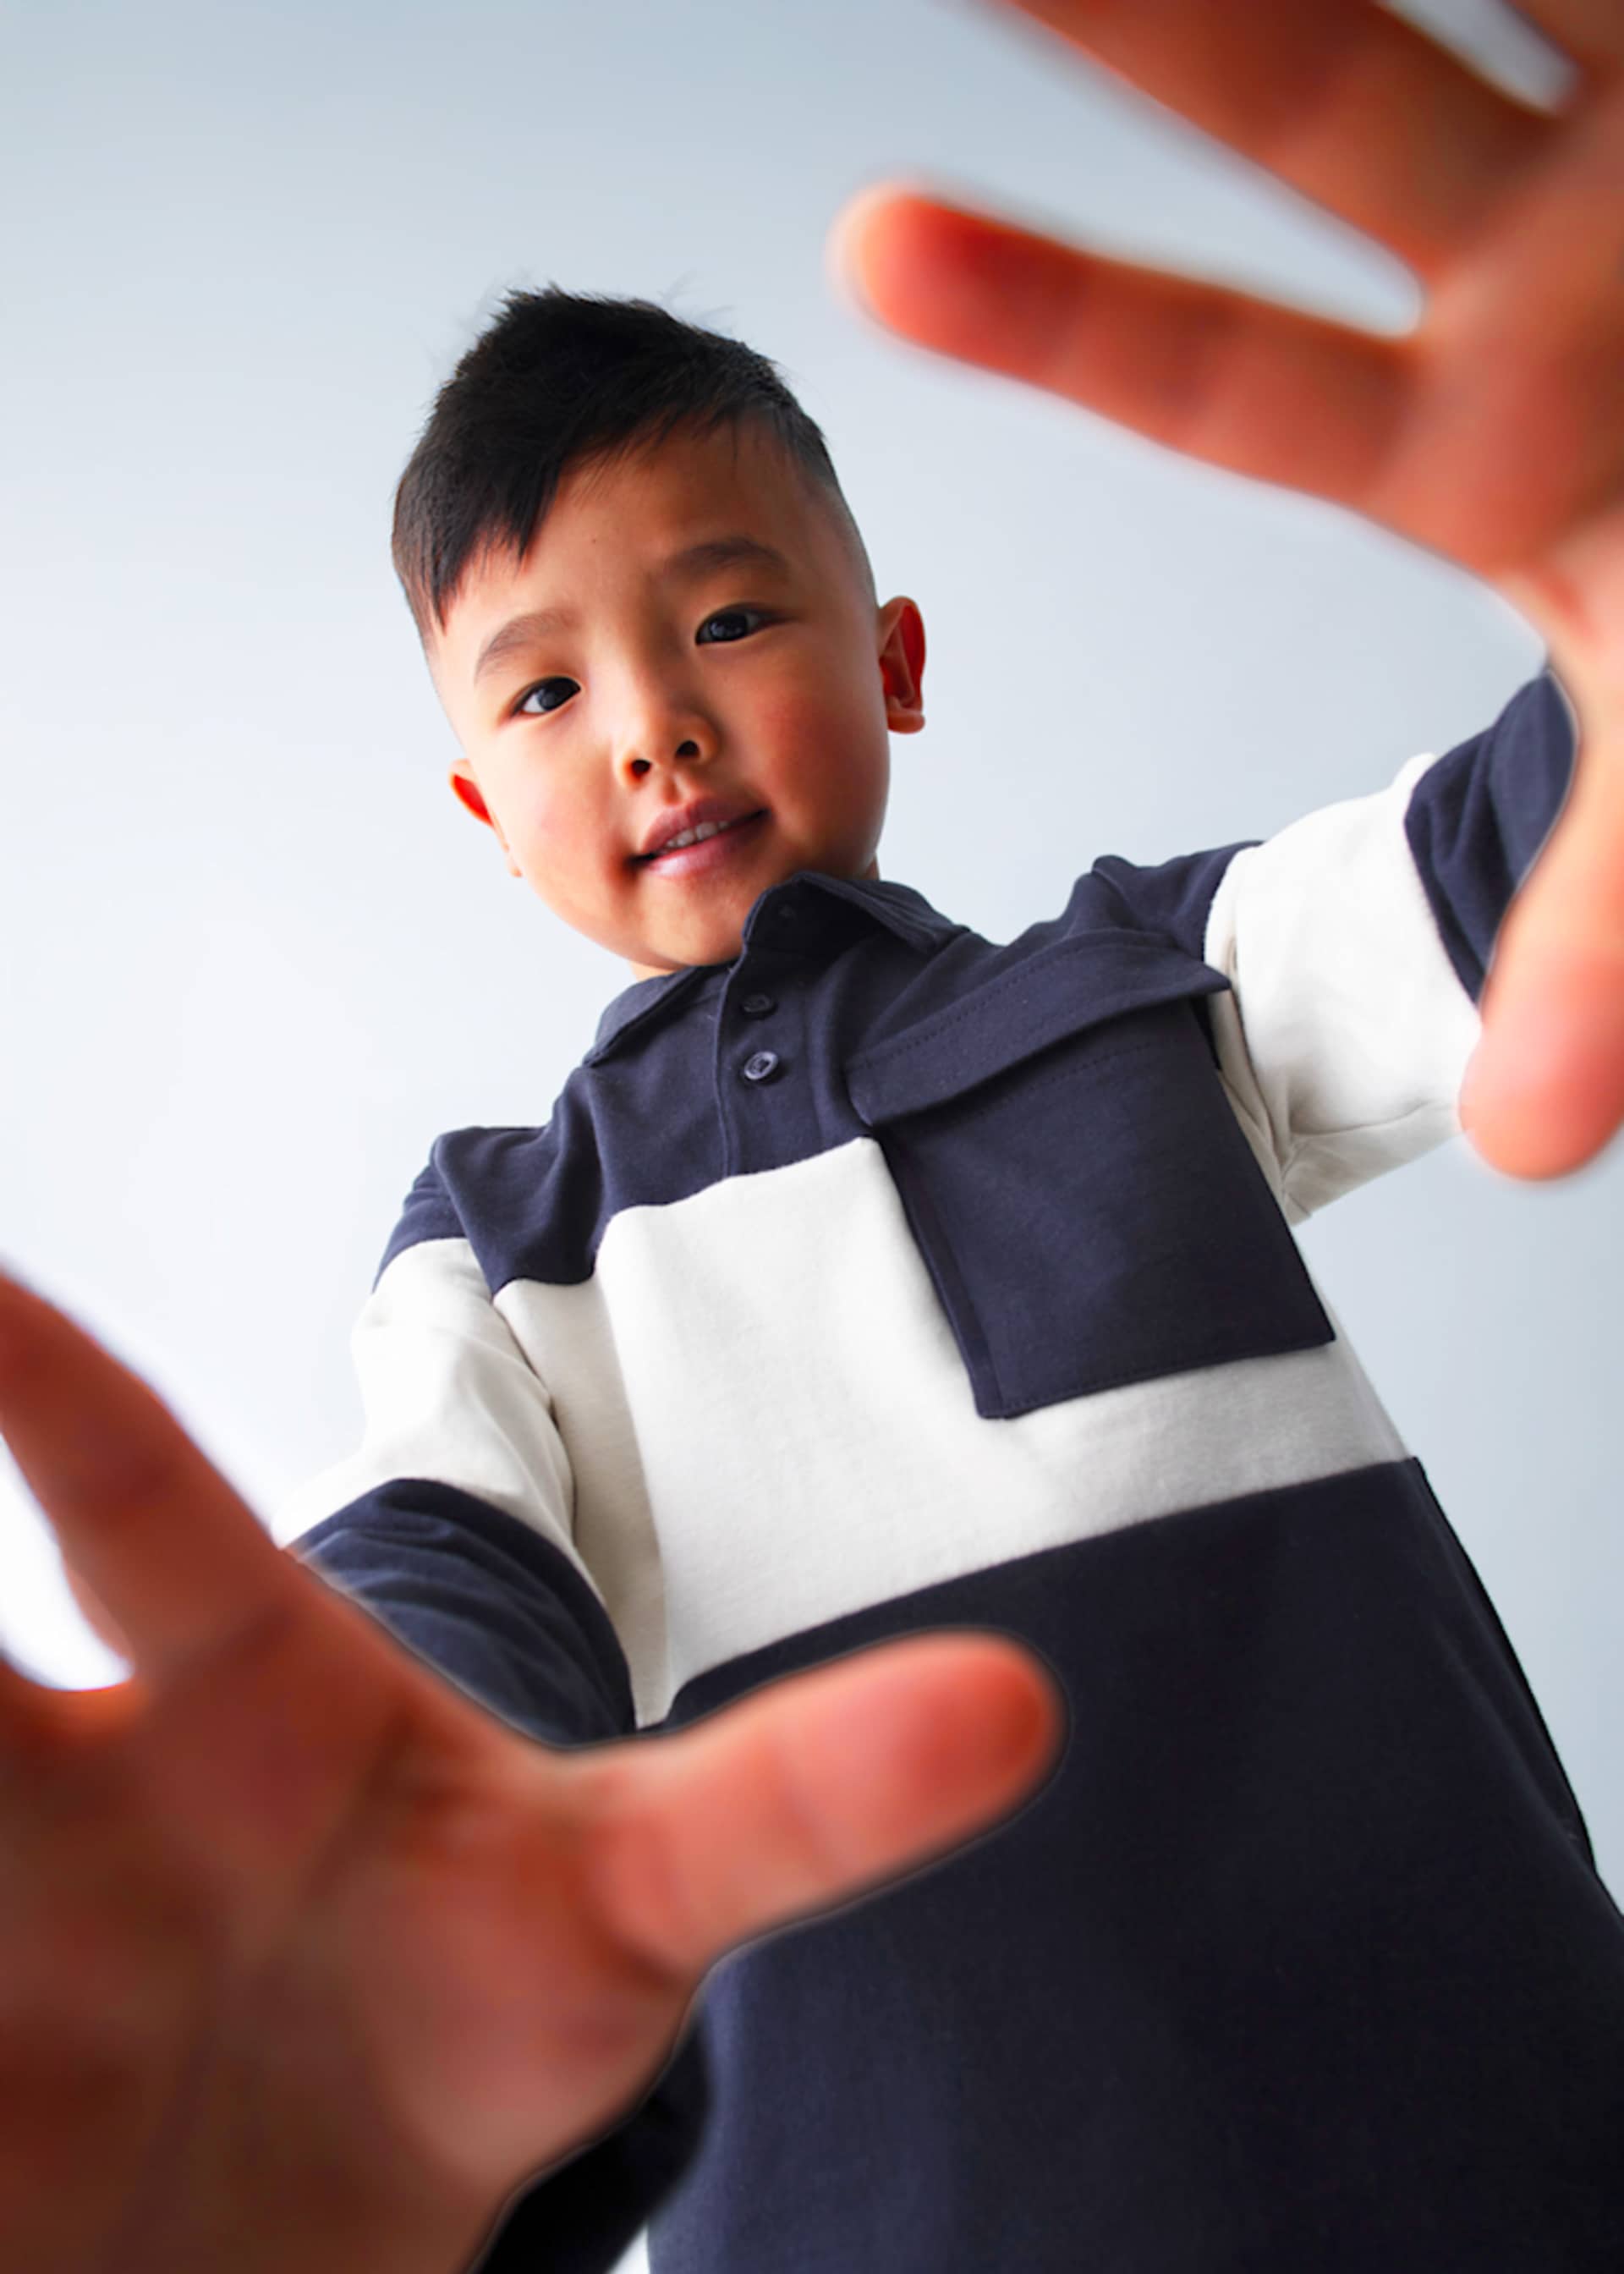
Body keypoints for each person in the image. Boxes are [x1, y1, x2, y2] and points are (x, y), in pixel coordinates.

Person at [2, 3, 1621, 2270]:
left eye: (734, 616)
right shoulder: (499, 1238)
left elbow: (1523, 861)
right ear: (486, 810)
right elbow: (449, 1581)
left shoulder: (1156, 992)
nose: (654, 725)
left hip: (1495, 2147)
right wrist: (316, 1839)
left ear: (899, 660)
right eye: (550, 688)